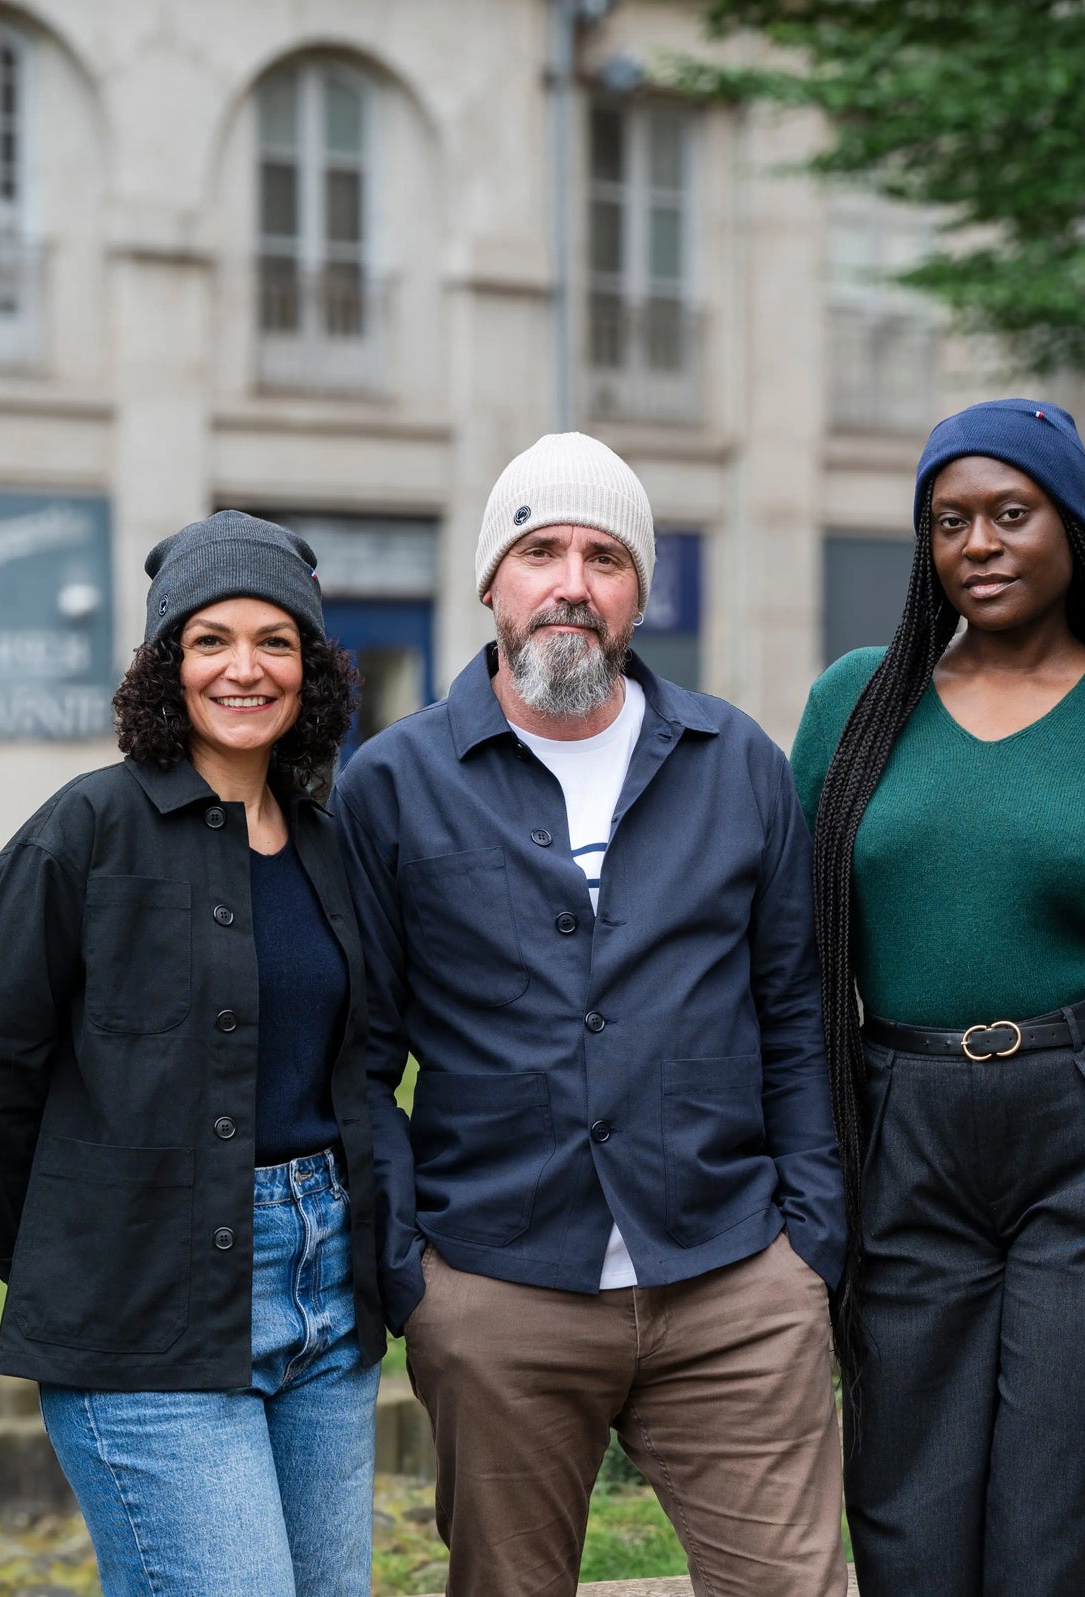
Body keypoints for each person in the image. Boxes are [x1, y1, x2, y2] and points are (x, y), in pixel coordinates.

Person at [333, 432, 846, 1597]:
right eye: (540, 549)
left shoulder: (737, 764)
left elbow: (796, 1008)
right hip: (499, 1292)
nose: (571, 579)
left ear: (638, 595)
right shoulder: (393, 786)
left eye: (605, 555)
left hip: (732, 1283)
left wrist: (806, 1244)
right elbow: (357, 1058)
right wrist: (420, 1278)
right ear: (489, 584)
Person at [790, 398, 1085, 1597]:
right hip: (901, 1125)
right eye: (950, 521)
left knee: (1076, 1508)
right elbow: (792, 969)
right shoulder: (852, 705)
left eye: (1013, 514)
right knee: (910, 1502)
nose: (981, 543)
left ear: (1076, 529)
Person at [0, 511, 382, 1597]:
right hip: (141, 1303)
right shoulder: (82, 832)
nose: (245, 667)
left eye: (276, 640)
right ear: (165, 662)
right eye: (210, 638)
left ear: (310, 669)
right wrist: (70, 1251)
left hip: (327, 1298)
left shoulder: (328, 843)